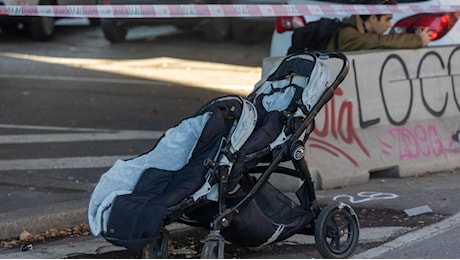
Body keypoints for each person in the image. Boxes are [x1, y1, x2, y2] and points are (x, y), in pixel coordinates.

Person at [325, 0, 432, 51]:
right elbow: (380, 41)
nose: (389, 25)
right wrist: (417, 40)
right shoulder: (348, 34)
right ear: (373, 18)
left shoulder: (354, 29)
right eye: (387, 19)